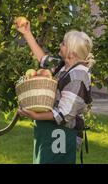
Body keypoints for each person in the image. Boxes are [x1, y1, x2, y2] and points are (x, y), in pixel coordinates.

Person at [16, 20, 94, 164]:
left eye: (63, 43)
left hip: (62, 135)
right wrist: (27, 33)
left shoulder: (78, 77)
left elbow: (65, 114)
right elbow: (43, 59)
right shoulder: (64, 66)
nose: (60, 44)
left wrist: (35, 115)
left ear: (72, 53)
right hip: (49, 131)